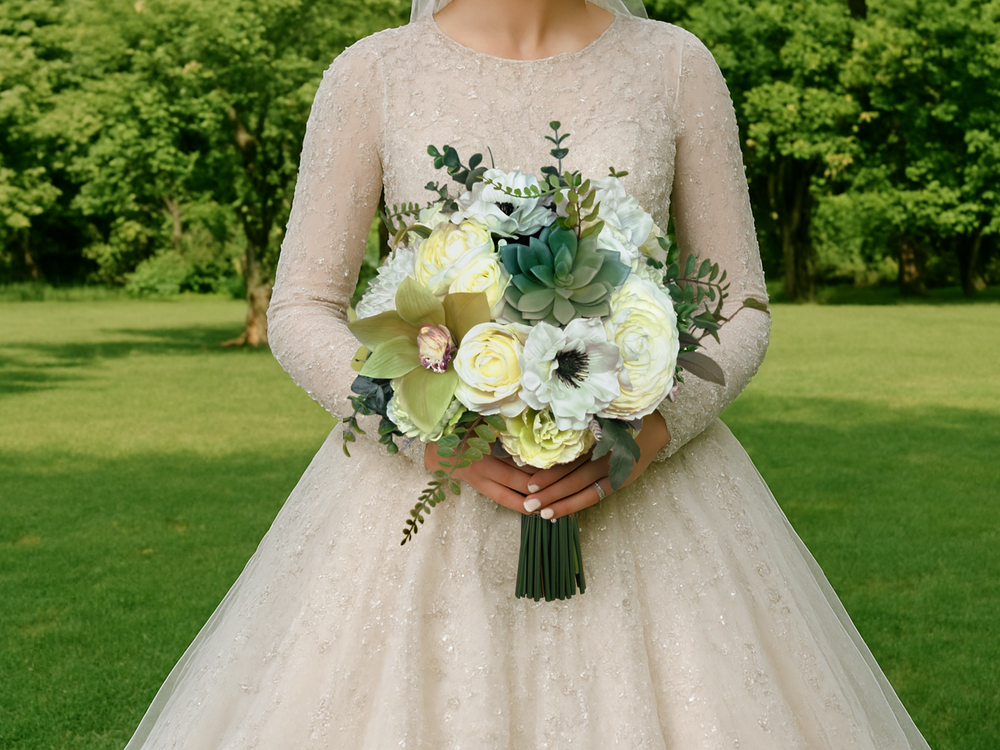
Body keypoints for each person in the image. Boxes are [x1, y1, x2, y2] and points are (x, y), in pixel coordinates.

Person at [124, 0, 932, 747]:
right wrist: (428, 438)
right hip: (422, 500)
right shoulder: (374, 73)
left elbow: (744, 304)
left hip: (647, 490)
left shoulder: (677, 65)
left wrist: (653, 429)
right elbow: (302, 305)